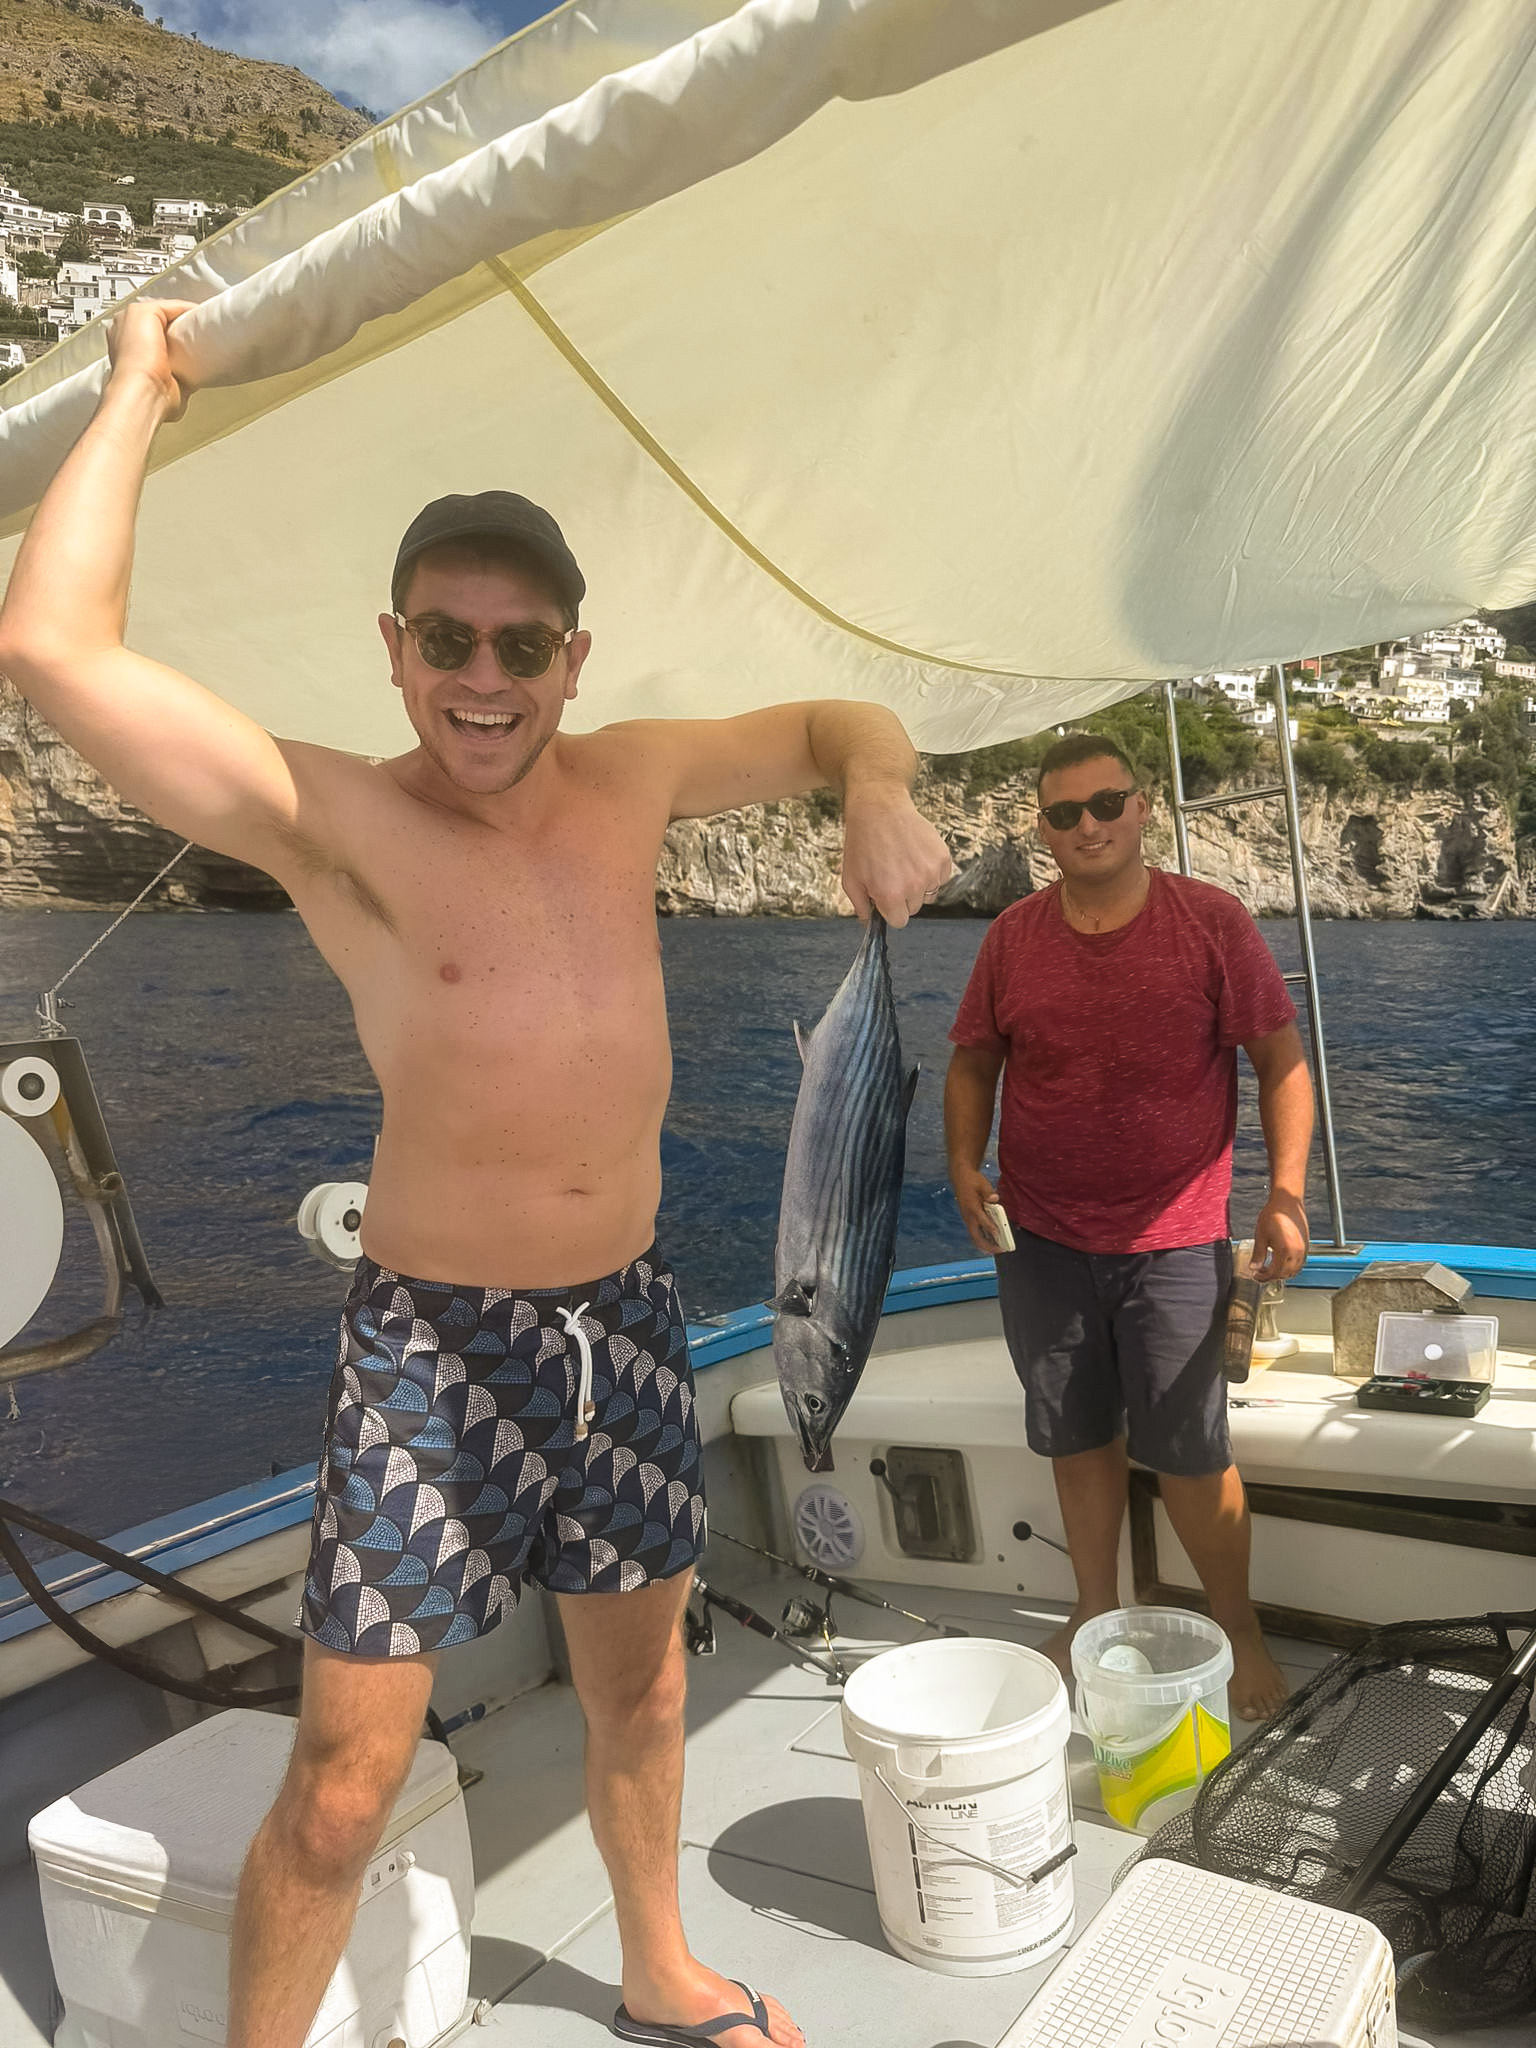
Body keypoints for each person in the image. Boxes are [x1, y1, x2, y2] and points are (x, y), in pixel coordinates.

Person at [0, 301, 954, 2048]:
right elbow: (52, 647)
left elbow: (838, 714)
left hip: (633, 1323)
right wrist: (143, 378)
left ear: (574, 660)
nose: (486, 678)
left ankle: (658, 1964)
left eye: (523, 645)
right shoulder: (337, 821)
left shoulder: (633, 773)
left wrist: (877, 786)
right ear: (395, 645)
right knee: (351, 1775)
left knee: (644, 1691)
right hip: (431, 1353)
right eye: (450, 637)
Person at [944, 731, 1312, 1722]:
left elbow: (1281, 1056)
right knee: (1073, 1433)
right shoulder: (1013, 937)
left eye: (1106, 803)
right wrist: (961, 1165)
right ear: (1042, 828)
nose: (1089, 825)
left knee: (1191, 1446)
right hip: (1045, 1238)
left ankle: (1236, 1625)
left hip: (1178, 1239)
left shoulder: (1211, 922)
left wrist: (1283, 1191)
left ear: (1143, 806)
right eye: (1064, 813)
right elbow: (974, 1059)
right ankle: (1094, 1608)